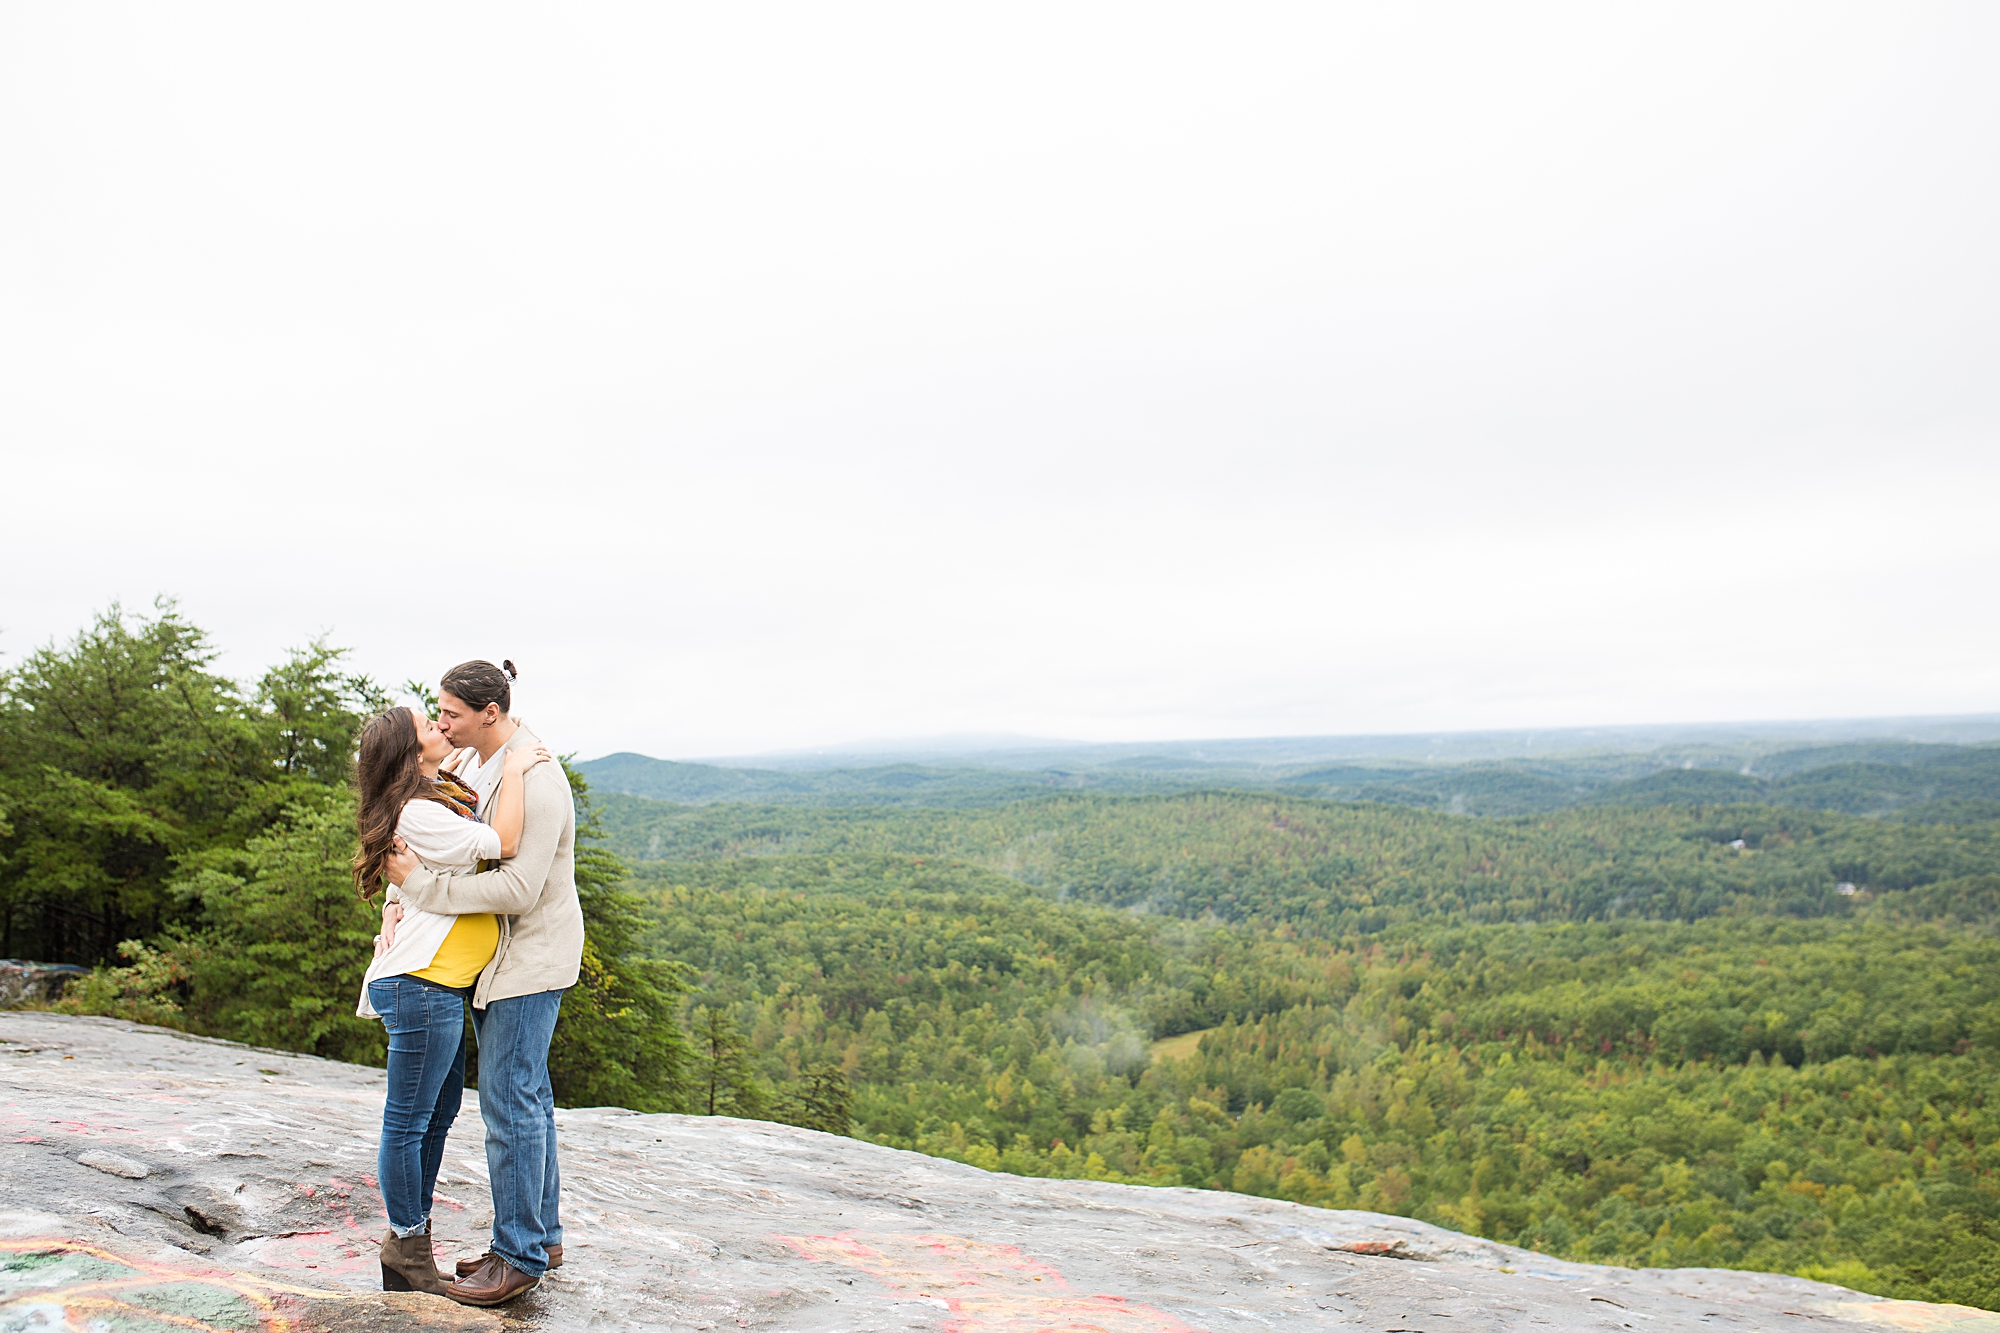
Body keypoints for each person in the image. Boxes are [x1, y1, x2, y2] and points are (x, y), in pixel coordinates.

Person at [383, 659, 584, 1308]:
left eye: (452, 714)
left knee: (509, 1101)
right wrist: (396, 899)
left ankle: (519, 1255)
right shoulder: (474, 763)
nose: (441, 722)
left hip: (529, 959)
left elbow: (521, 888)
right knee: (528, 1096)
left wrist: (426, 889)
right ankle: (539, 1236)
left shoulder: (538, 775)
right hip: (496, 960)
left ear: (490, 712)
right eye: (436, 713)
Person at [352, 704, 551, 1295]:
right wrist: (515, 772)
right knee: (409, 1122)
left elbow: (465, 753)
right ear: (412, 755)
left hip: (434, 984)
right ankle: (406, 1244)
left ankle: (410, 1248)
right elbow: (505, 839)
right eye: (429, 727)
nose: (441, 728)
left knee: (434, 1118)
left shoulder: (426, 794)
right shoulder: (418, 810)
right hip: (420, 982)